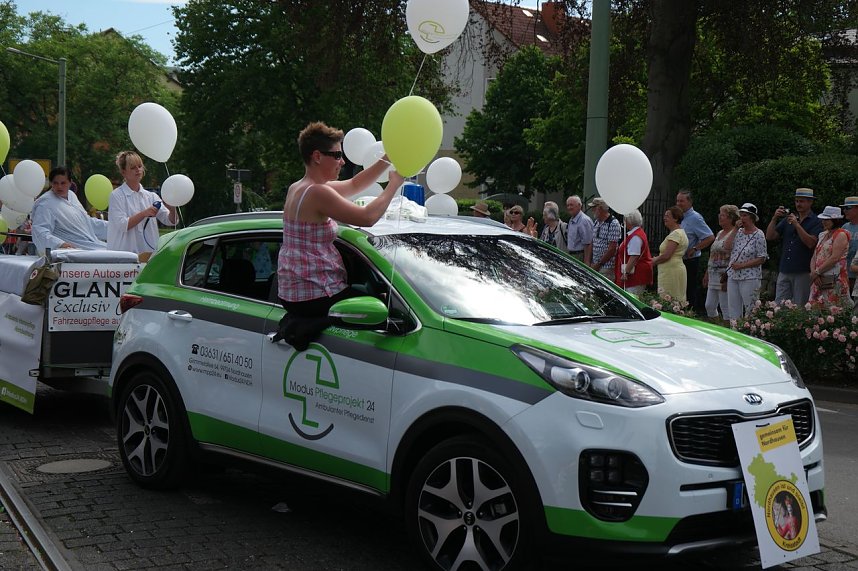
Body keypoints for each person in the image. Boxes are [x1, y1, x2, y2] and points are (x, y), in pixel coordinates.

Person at [275, 121, 404, 350]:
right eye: (336, 155)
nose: (342, 161)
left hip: (295, 294)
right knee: (388, 307)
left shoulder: (299, 187)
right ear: (317, 156)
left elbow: (355, 184)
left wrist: (389, 156)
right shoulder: (317, 192)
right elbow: (367, 218)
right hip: (315, 294)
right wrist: (393, 185)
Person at [107, 151, 177, 257]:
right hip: (124, 256)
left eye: (140, 166)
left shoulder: (151, 196)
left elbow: (170, 221)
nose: (138, 170)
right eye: (133, 167)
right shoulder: (116, 195)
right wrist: (144, 213)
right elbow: (122, 225)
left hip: (149, 254)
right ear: (123, 172)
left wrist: (172, 209)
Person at [31, 166, 109, 253]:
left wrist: (116, 227)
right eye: (55, 183)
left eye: (63, 183)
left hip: (91, 245)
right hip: (72, 251)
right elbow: (39, 231)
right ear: (51, 183)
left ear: (70, 182)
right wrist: (60, 244)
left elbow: (86, 223)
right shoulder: (45, 204)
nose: (59, 187)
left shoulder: (72, 196)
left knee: (119, 250)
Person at [765, 187, 822, 305]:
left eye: (802, 201)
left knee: (800, 305)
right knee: (779, 305)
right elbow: (770, 236)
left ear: (810, 202)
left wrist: (797, 225)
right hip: (785, 269)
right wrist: (774, 218)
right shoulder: (788, 219)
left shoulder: (816, 221)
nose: (798, 204)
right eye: (797, 201)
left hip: (803, 270)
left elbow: (811, 243)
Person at [727, 203, 768, 318]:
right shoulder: (738, 232)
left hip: (749, 277)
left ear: (752, 217)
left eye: (744, 215)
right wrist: (735, 229)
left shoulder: (759, 234)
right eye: (741, 215)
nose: (741, 218)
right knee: (733, 308)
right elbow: (727, 246)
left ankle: (749, 332)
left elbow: (761, 258)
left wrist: (742, 265)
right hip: (733, 275)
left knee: (750, 309)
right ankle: (734, 331)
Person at [676, 190, 715, 310]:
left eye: (681, 201)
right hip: (679, 260)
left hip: (690, 260)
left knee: (689, 289)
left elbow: (710, 237)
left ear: (690, 201)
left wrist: (695, 248)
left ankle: (690, 312)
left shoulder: (695, 218)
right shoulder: (679, 217)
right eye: (677, 200)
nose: (678, 203)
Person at [808, 205, 851, 305]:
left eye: (827, 220)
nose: (823, 222)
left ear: (835, 220)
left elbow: (835, 258)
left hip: (834, 279)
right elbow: (815, 255)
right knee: (815, 310)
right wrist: (814, 273)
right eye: (823, 219)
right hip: (819, 279)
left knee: (833, 308)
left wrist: (817, 272)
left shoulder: (841, 234)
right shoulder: (822, 234)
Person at [703, 205, 739, 321]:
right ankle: (715, 327)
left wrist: (728, 277)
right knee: (709, 305)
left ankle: (726, 331)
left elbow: (734, 255)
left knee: (725, 307)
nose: (719, 217)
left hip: (724, 275)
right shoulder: (719, 233)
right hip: (713, 274)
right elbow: (712, 254)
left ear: (730, 218)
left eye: (722, 215)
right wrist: (707, 273)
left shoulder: (735, 234)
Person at [651, 206, 688, 302]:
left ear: (675, 218)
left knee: (669, 298)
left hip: (671, 270)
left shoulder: (676, 234)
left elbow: (667, 255)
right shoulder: (680, 232)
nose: (664, 218)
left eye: (667, 216)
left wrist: (654, 261)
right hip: (674, 268)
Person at [614, 209, 653, 295]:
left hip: (635, 276)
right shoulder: (636, 233)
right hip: (635, 275)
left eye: (625, 219)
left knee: (632, 297)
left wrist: (626, 273)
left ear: (629, 220)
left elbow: (634, 256)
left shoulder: (636, 236)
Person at [586, 197, 622, 279]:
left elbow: (612, 249)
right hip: (595, 265)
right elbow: (593, 242)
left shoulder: (613, 223)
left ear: (600, 208)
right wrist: (588, 261)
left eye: (593, 208)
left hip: (606, 267)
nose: (592, 210)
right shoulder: (596, 222)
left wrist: (599, 264)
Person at [565, 195, 593, 261]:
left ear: (579, 206)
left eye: (571, 205)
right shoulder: (571, 220)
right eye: (568, 205)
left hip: (580, 256)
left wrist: (586, 262)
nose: (569, 207)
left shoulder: (584, 220)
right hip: (572, 255)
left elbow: (588, 244)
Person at [841, 196, 858, 294]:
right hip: (845, 272)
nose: (844, 211)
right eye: (844, 208)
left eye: (848, 208)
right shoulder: (845, 227)